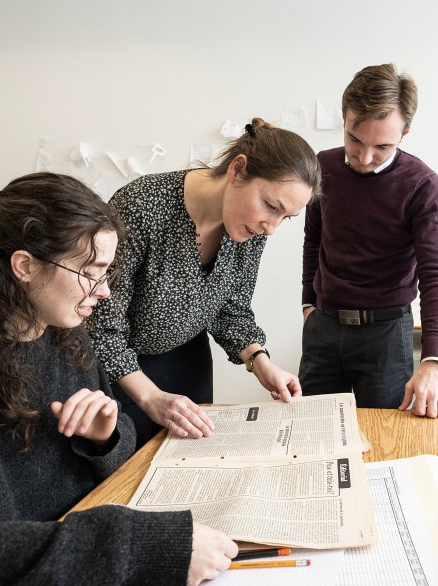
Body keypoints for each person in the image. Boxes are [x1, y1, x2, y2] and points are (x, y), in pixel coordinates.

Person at [0, 173, 237, 585]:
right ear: (24, 266)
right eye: (92, 271)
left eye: (107, 273)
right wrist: (140, 546)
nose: (105, 291)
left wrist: (103, 439)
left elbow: (116, 454)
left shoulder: (67, 339)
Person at [88, 119, 322, 446]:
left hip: (188, 363)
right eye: (271, 206)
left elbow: (231, 309)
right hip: (123, 374)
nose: (272, 227)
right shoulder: (141, 205)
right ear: (238, 170)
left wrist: (260, 362)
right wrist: (151, 397)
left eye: (285, 218)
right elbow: (100, 324)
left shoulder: (250, 228)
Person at [300, 63, 438, 417]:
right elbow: (314, 242)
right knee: (312, 433)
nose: (365, 157)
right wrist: (308, 305)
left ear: (406, 132)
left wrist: (434, 361)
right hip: (323, 326)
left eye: (382, 146)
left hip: (385, 333)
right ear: (344, 118)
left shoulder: (422, 185)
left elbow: (436, 277)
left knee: (384, 440)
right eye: (355, 139)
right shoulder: (321, 168)